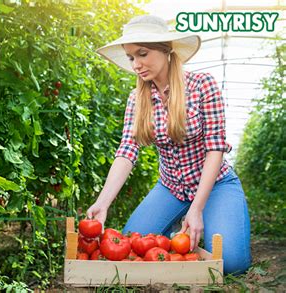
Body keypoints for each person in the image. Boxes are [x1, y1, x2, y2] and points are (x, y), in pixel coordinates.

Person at [87, 15, 251, 275]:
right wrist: (103, 202)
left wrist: (197, 208)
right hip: (171, 188)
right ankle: (183, 225)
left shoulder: (201, 86)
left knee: (230, 264)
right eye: (131, 58)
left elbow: (215, 148)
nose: (136, 65)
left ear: (167, 51)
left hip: (216, 184)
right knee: (133, 245)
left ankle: (208, 216)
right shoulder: (137, 99)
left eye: (142, 54)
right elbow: (127, 152)